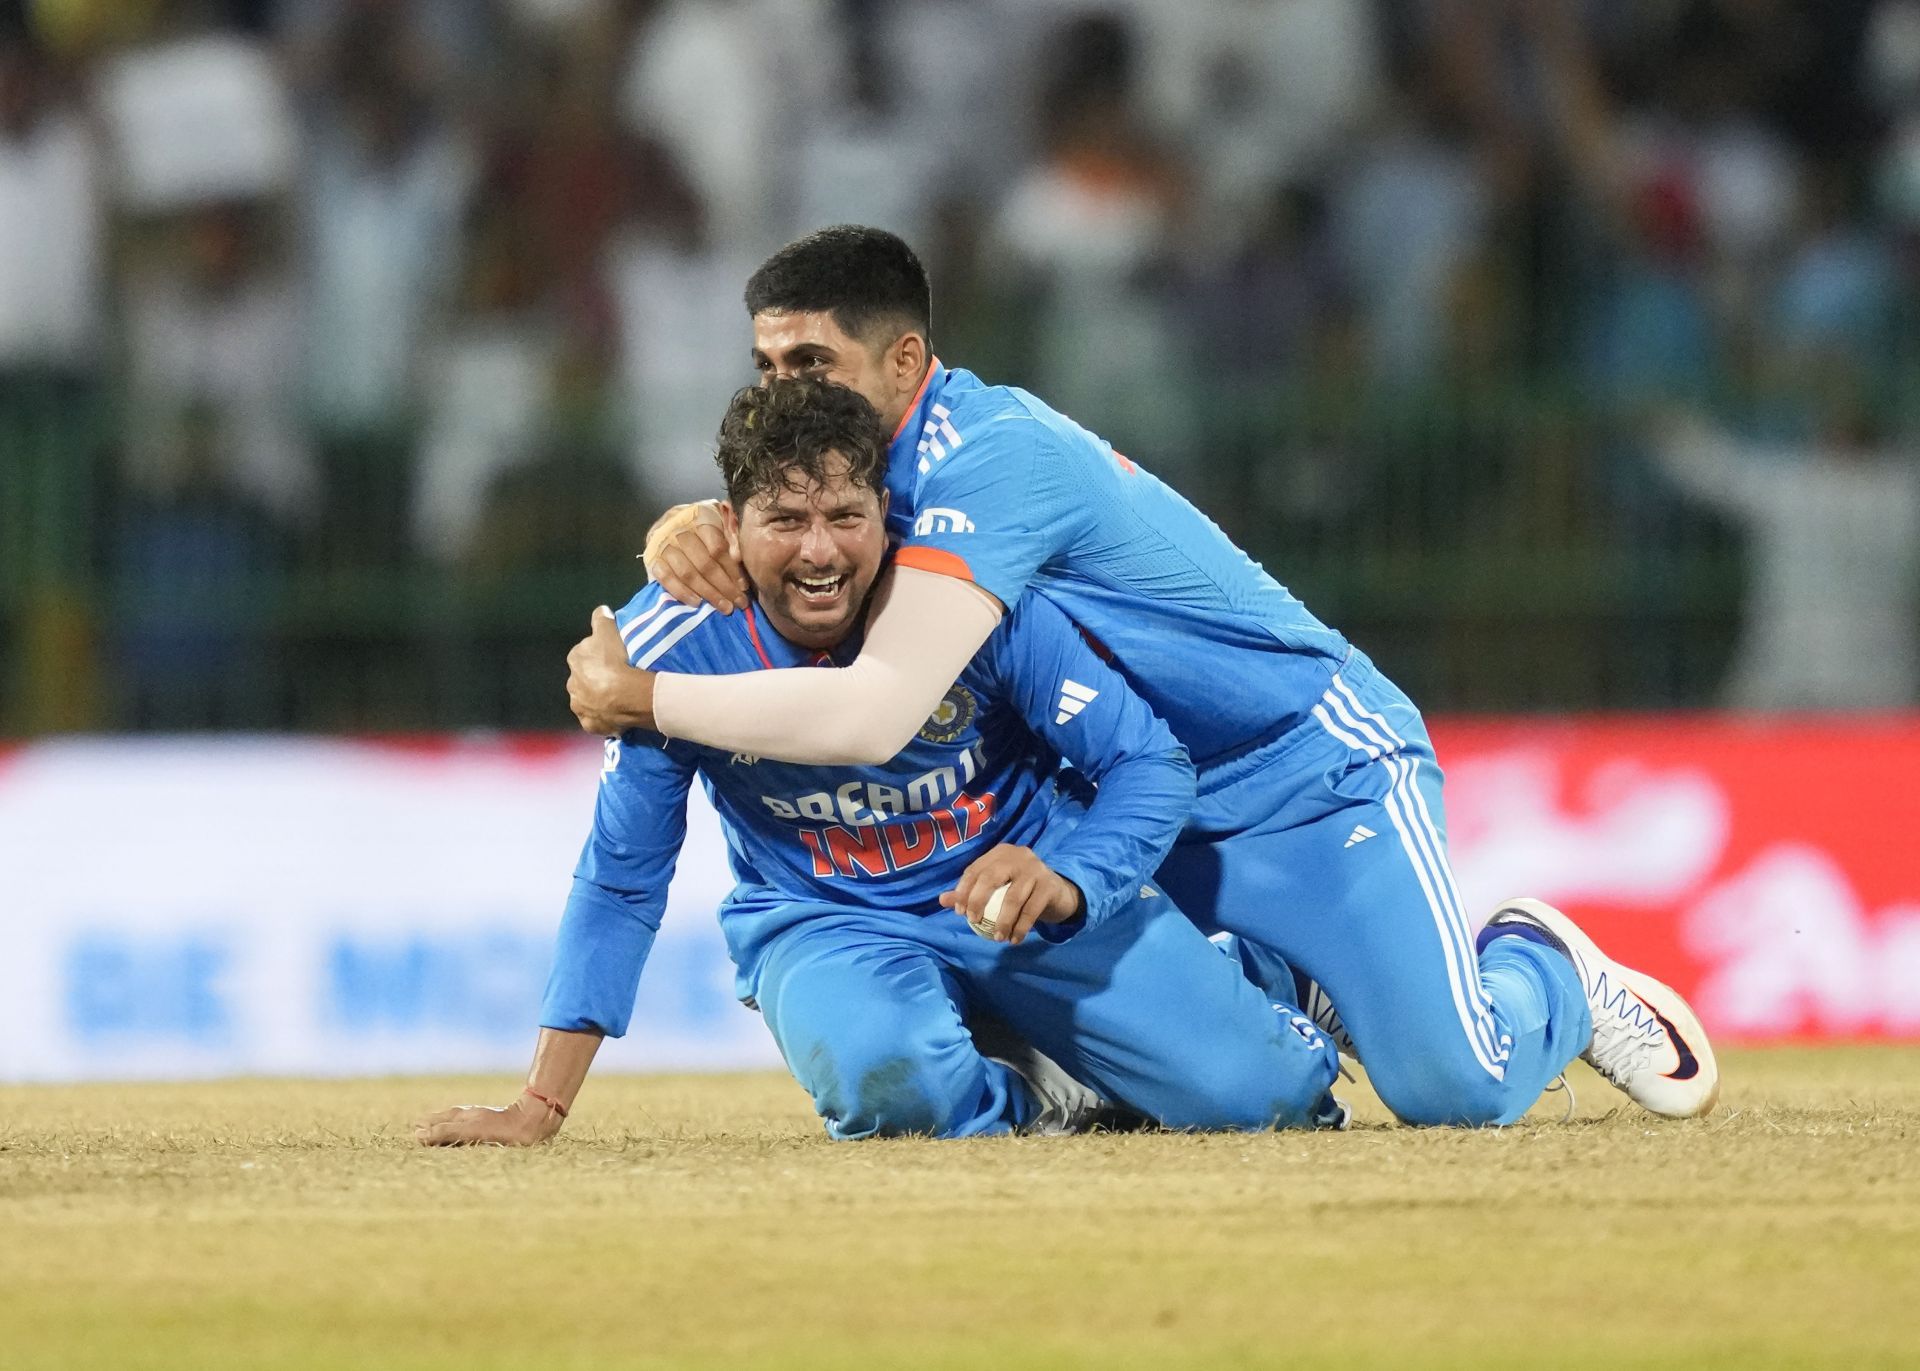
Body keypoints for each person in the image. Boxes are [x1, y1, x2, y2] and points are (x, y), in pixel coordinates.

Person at [564, 225, 1721, 1127]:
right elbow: (798, 530)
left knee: (1452, 1092)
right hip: (1124, 792)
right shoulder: (857, 479)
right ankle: (1271, 987)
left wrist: (640, 699)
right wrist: (691, 528)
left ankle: (1543, 970)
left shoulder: (992, 463)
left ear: (908, 361)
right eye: (765, 366)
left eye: (809, 360)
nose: (780, 392)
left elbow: (873, 709)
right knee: (1195, 1061)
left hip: (1296, 773)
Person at [417, 378, 1344, 1146]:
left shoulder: (969, 598)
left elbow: (1149, 761)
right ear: (727, 526)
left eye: (845, 515)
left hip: (1020, 896)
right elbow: (622, 877)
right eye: (784, 518)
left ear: (886, 514)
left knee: (1259, 1101)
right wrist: (539, 1103)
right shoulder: (665, 644)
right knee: (891, 1093)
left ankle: (1264, 981)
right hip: (827, 921)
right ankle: (1049, 1088)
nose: (820, 551)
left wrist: (1069, 876)